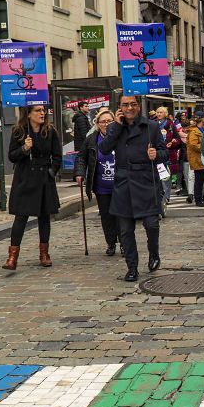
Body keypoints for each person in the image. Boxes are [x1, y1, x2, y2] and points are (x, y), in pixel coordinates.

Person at [100, 95, 166, 281]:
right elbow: (104, 149)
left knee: (151, 225)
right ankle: (132, 267)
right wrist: (117, 127)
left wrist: (156, 154)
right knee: (125, 230)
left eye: (133, 104)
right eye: (125, 105)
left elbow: (164, 152)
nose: (129, 108)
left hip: (146, 180)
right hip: (123, 182)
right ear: (119, 107)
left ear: (138, 106)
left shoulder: (151, 126)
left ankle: (154, 254)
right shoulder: (115, 127)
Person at [2, 105, 62, 270]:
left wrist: (51, 172)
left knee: (44, 216)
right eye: (37, 110)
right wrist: (24, 148)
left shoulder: (50, 131)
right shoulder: (19, 131)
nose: (42, 113)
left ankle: (44, 253)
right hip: (25, 178)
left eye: (43, 110)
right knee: (21, 217)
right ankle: (12, 256)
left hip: (44, 178)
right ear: (28, 114)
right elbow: (12, 156)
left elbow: (57, 156)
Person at [74, 110, 119, 256]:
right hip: (101, 186)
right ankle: (111, 243)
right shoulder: (92, 139)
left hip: (121, 185)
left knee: (122, 215)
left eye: (109, 121)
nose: (106, 124)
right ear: (97, 124)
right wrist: (80, 173)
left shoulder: (121, 137)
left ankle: (125, 243)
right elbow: (81, 157)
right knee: (106, 216)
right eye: (103, 122)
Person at [154, 107, 181, 204]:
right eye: (157, 112)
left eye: (161, 112)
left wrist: (172, 143)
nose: (159, 114)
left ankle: (166, 197)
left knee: (166, 177)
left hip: (167, 155)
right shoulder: (153, 124)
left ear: (165, 114)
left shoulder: (170, 125)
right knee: (156, 176)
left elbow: (178, 139)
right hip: (156, 154)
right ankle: (158, 196)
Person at [186, 115, 204, 207]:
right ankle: (198, 199)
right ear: (202, 120)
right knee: (199, 180)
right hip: (198, 159)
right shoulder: (194, 131)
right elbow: (193, 145)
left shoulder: (203, 130)